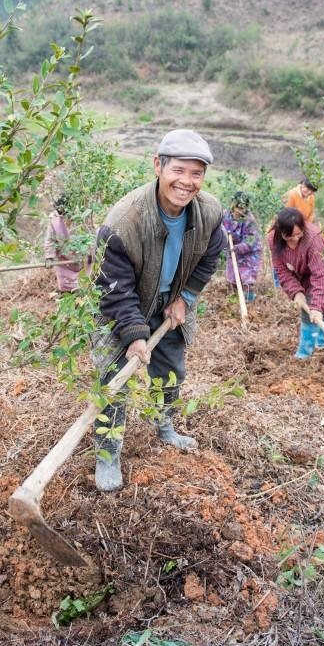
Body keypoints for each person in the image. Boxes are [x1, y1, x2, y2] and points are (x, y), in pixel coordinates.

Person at [90, 129, 226, 492]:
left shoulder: (210, 213)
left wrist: (187, 298)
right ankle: (108, 454)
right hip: (123, 304)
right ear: (158, 166)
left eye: (196, 174)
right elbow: (113, 289)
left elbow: (209, 259)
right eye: (179, 170)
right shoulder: (124, 220)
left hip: (171, 303)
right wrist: (134, 335)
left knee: (171, 371)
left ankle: (165, 426)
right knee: (113, 380)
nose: (187, 182)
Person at [269, 207, 324, 359]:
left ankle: (307, 351)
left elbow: (321, 276)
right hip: (306, 271)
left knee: (313, 307)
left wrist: (317, 306)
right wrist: (296, 292)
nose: (295, 240)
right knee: (310, 303)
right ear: (281, 234)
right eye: (289, 237)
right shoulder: (273, 239)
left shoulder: (313, 240)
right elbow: (281, 269)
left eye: (299, 235)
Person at [222, 191, 261, 302]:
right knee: (232, 275)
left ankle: (249, 300)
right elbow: (219, 230)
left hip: (250, 252)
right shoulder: (225, 215)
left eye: (243, 208)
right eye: (238, 207)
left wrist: (238, 248)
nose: (240, 211)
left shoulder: (250, 220)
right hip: (232, 249)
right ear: (233, 205)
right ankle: (235, 300)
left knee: (247, 277)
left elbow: (251, 239)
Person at [43, 195, 84, 293]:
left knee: (84, 285)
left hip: (81, 259)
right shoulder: (54, 220)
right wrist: (49, 257)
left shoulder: (80, 218)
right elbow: (49, 240)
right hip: (64, 261)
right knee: (67, 287)